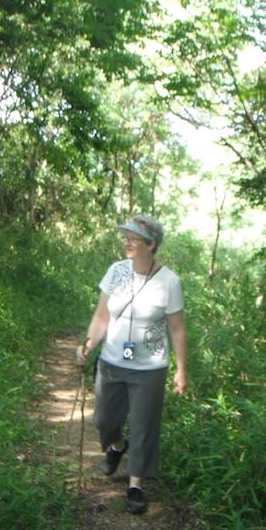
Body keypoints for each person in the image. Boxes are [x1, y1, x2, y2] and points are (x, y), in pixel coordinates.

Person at [76, 215, 187, 514]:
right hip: (113, 359)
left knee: (143, 426)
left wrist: (181, 370)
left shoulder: (169, 282)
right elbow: (102, 316)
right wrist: (89, 343)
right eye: (126, 236)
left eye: (134, 238)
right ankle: (116, 446)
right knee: (104, 420)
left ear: (151, 244)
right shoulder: (115, 271)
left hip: (150, 367)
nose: (127, 241)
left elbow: (177, 328)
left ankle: (135, 485)